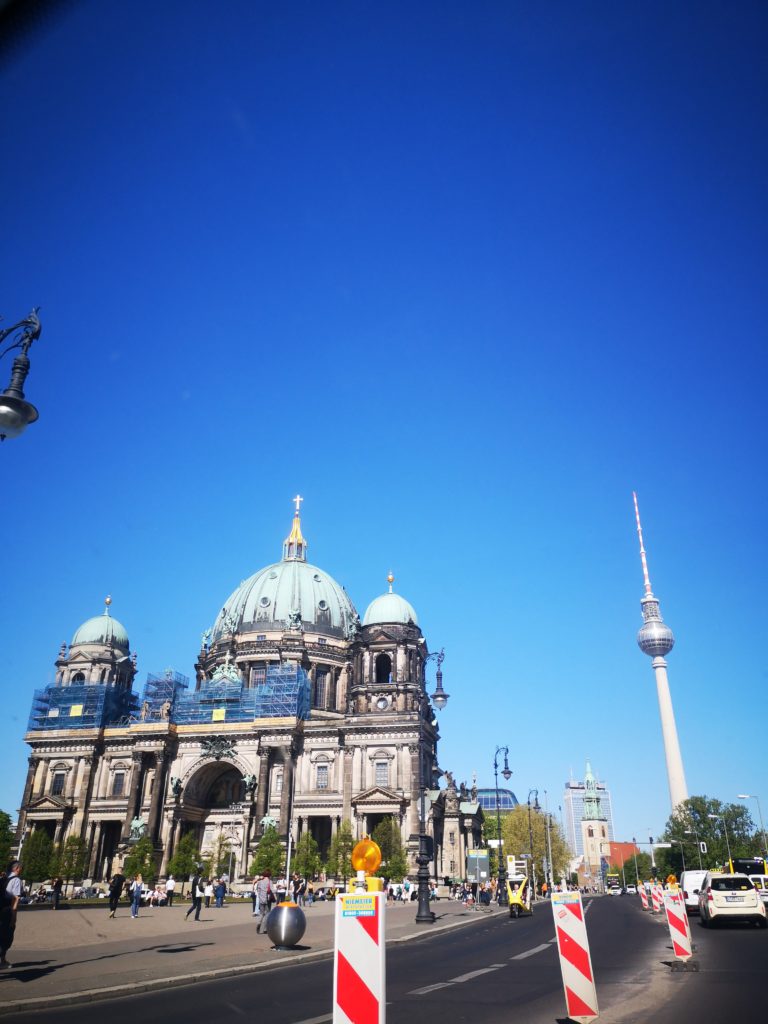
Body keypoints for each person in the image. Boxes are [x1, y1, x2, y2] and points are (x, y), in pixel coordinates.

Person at [1, 860, 23, 969]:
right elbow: (16, 899)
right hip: (7, 911)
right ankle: (2, 960)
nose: (21, 870)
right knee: (7, 936)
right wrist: (14, 916)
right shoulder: (16, 880)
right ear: (16, 868)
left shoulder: (4, 878)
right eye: (20, 868)